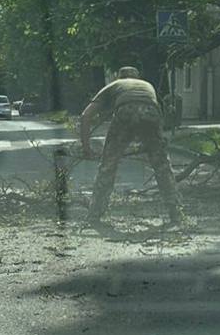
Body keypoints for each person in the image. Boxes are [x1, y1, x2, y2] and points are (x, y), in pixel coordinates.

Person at [79, 65, 185, 223]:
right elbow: (156, 115)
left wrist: (86, 148)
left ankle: (95, 215)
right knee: (162, 165)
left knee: (108, 165)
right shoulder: (147, 86)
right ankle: (176, 213)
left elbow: (85, 116)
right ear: (138, 77)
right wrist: (152, 144)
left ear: (119, 77)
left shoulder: (113, 86)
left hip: (125, 111)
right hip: (151, 112)